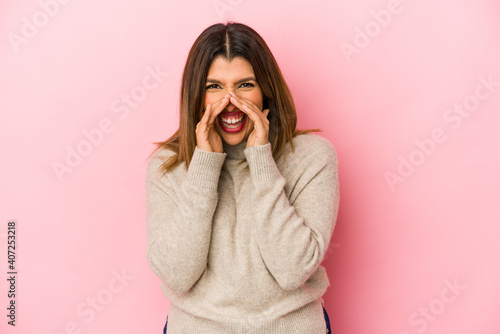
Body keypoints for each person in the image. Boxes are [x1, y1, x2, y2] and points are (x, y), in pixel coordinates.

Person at [145, 21, 339, 333]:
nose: (231, 101)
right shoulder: (167, 165)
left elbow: (292, 271)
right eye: (214, 87)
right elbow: (177, 274)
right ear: (196, 95)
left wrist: (261, 159)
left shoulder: (312, 156)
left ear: (266, 92)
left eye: (245, 85)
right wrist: (205, 165)